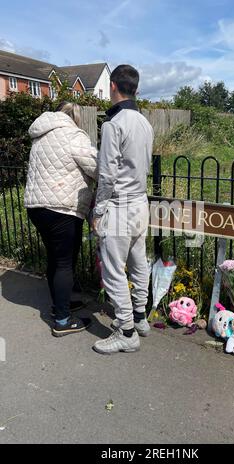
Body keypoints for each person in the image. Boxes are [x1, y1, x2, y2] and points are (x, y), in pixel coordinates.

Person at [92, 64, 154, 355]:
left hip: (119, 205)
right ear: (136, 89)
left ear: (113, 86)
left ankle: (126, 331)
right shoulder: (144, 122)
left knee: (114, 270)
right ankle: (140, 317)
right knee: (139, 260)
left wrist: (98, 211)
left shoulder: (113, 124)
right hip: (141, 203)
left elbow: (106, 174)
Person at [24, 101, 98, 337]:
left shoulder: (40, 135)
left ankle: (61, 303)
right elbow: (96, 167)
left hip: (37, 207)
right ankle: (63, 320)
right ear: (75, 118)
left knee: (55, 259)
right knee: (65, 262)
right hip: (61, 207)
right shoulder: (73, 135)